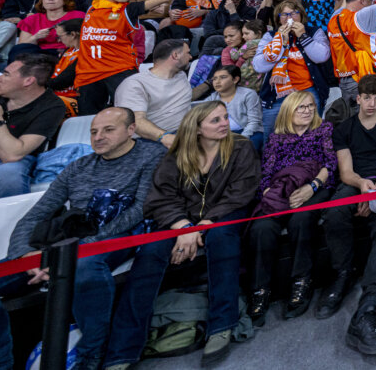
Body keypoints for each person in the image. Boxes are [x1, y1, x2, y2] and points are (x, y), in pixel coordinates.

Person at [0, 107, 166, 370]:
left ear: (130, 130)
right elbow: (35, 216)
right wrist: (23, 255)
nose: (98, 136)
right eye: (93, 131)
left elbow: (140, 209)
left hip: (116, 236)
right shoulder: (78, 166)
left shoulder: (151, 155)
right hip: (69, 239)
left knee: (85, 265)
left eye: (108, 130)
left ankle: (92, 355)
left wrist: (66, 256)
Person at [101, 101, 259, 368]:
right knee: (149, 255)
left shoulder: (241, 146)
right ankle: (122, 351)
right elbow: (161, 197)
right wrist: (183, 226)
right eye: (215, 120)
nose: (224, 124)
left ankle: (222, 324)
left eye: (224, 118)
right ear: (197, 128)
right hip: (179, 220)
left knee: (222, 240)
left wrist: (203, 225)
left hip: (224, 213)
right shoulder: (177, 153)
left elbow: (241, 192)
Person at [317, 74, 376, 356]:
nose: (371, 103)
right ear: (358, 98)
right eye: (367, 97)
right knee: (333, 214)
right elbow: (345, 171)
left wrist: (374, 191)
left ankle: (369, 305)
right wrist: (362, 187)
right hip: (356, 181)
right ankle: (343, 272)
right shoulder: (344, 128)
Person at [247, 89, 336, 324]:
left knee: (301, 219)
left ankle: (301, 281)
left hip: (315, 185)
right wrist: (271, 194)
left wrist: (312, 187)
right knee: (262, 228)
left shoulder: (323, 130)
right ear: (289, 111)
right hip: (282, 188)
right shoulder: (277, 137)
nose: (307, 111)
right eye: (301, 107)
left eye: (310, 107)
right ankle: (260, 290)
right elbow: (266, 173)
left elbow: (330, 164)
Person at [77, 0, 191, 115]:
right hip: (88, 71)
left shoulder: (130, 9)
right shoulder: (93, 4)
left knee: (130, 112)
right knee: (88, 115)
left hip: (119, 69)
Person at [0, 55, 62, 198]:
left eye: (6, 75)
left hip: (5, 164)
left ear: (28, 81)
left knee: (9, 172)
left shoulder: (51, 107)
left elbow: (13, 155)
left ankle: (11, 220)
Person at [254, 0, 332, 133]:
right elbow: (259, 66)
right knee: (273, 136)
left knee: (311, 134)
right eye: (284, 14)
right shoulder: (270, 36)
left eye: (294, 13)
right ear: (278, 20)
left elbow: (322, 57)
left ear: (301, 16)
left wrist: (302, 36)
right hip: (277, 96)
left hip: (308, 91)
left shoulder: (314, 32)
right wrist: (281, 43)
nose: (289, 18)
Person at [113, 38, 192, 148]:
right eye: (188, 53)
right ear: (175, 55)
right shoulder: (135, 84)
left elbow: (186, 98)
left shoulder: (180, 76)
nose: (191, 57)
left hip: (187, 133)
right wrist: (165, 137)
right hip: (152, 141)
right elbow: (136, 121)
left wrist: (208, 84)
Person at [200, 64, 263, 148]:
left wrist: (242, 138)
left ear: (235, 79)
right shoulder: (212, 98)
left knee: (247, 147)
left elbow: (254, 121)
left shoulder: (248, 94)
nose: (217, 82)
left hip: (250, 131)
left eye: (223, 77)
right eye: (214, 79)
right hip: (224, 132)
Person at [15, 0, 81, 55]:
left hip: (69, 52)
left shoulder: (78, 16)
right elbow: (22, 46)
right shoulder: (32, 19)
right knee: (16, 50)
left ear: (65, 1)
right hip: (39, 53)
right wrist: (36, 37)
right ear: (42, 2)